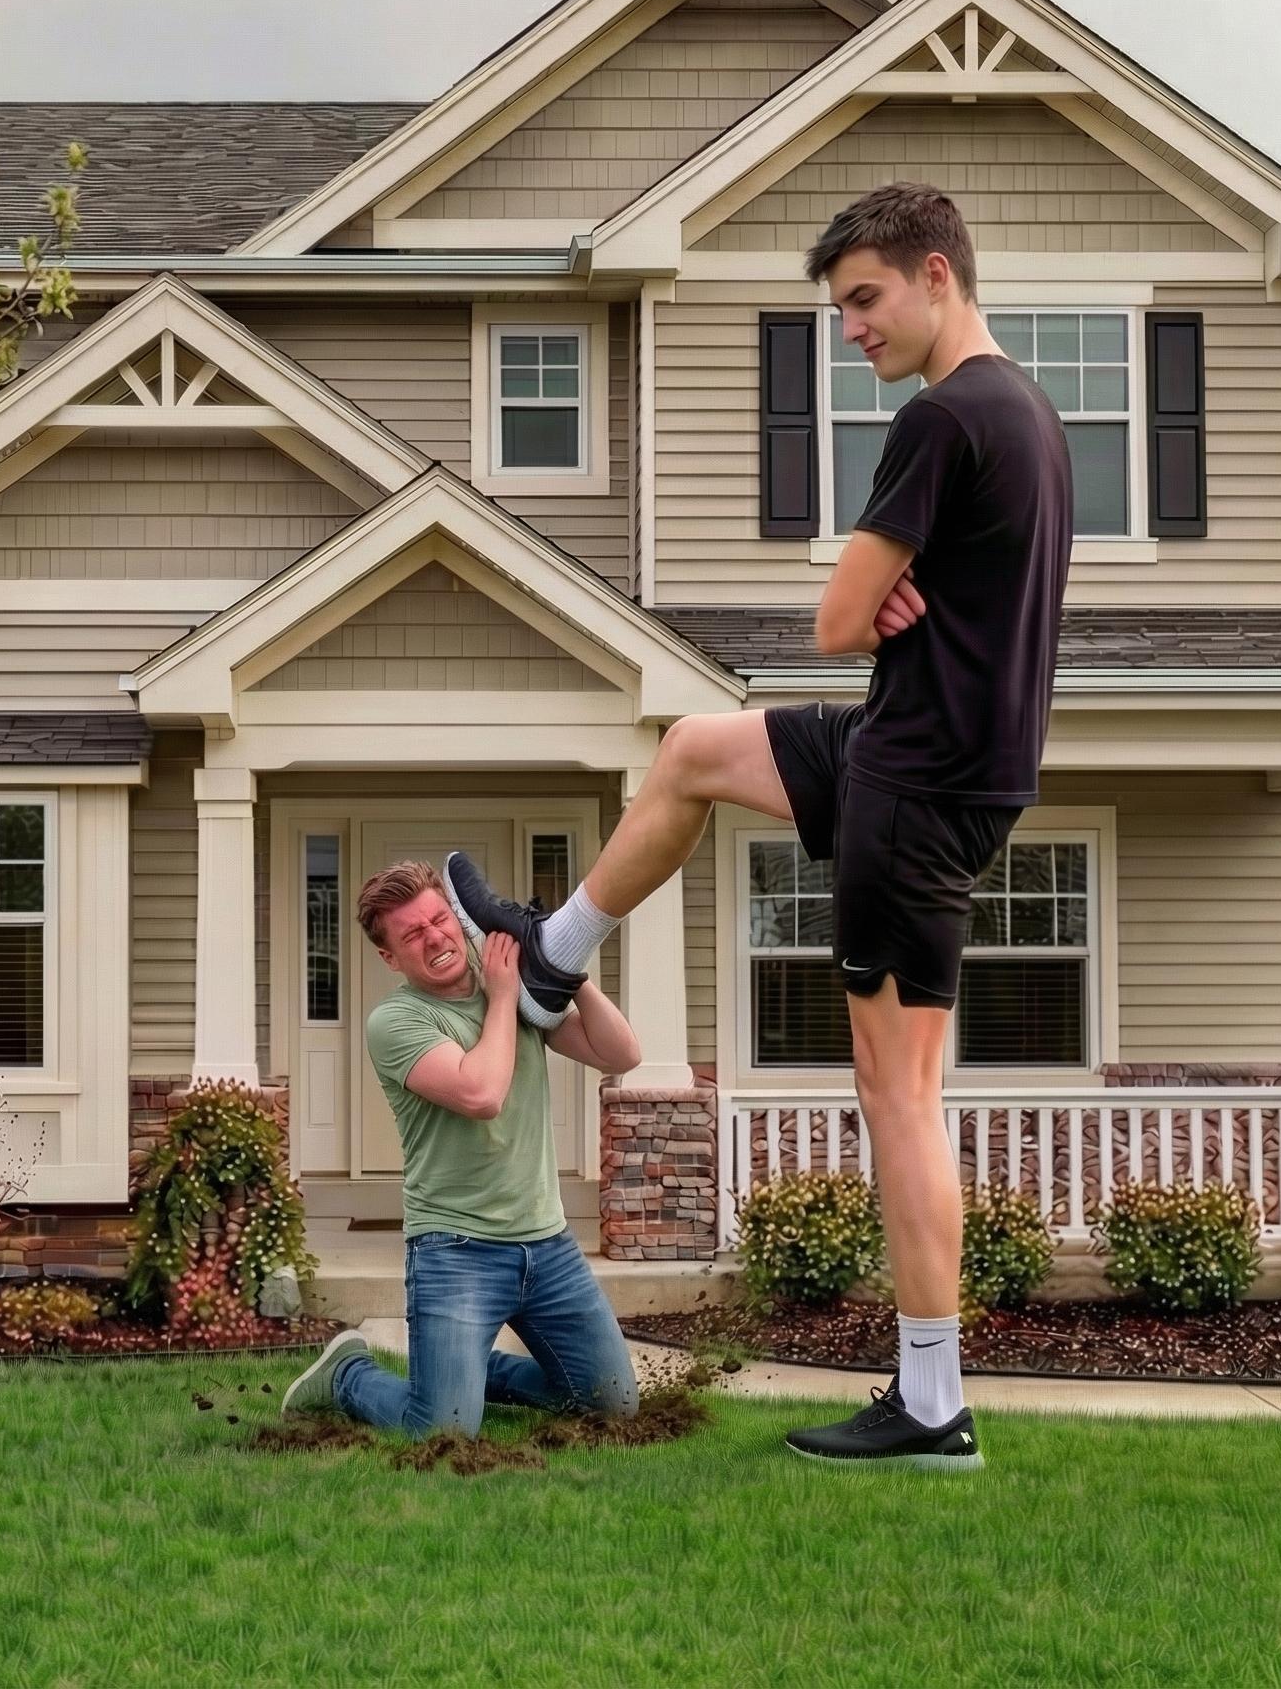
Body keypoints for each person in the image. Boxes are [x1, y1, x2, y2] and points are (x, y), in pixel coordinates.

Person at [444, 182, 1074, 1470]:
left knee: (896, 1095)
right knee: (691, 751)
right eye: (839, 306)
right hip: (919, 751)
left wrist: (871, 590)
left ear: (937, 275)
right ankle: (556, 957)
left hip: (918, 783)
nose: (851, 329)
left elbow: (836, 619)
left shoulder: (944, 416)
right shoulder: (1029, 416)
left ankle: (931, 1399)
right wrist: (888, 591)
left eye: (864, 299)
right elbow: (882, 608)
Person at [281, 859, 643, 1437]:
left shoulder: (514, 984)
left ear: (456, 917)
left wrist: (559, 966)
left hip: (546, 1244)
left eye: (439, 919)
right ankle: (348, 1374)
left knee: (612, 1407)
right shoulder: (396, 1021)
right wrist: (505, 996)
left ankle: (469, 1374)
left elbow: (621, 1056)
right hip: (456, 1250)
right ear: (390, 957)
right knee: (440, 1433)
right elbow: (481, 1093)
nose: (435, 938)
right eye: (412, 935)